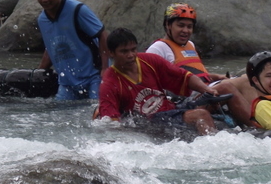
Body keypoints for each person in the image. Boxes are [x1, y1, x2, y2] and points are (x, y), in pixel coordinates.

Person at [98, 28, 255, 136]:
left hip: (171, 109)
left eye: (133, 49)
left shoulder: (148, 60)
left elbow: (184, 76)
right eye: (124, 52)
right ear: (111, 53)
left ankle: (258, 129)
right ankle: (217, 153)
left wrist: (205, 90)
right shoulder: (109, 83)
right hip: (151, 122)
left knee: (226, 87)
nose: (131, 55)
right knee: (200, 115)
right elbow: (110, 123)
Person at [146, 3, 259, 107]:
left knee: (249, 78)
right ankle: (256, 120)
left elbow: (196, 74)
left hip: (206, 87)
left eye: (189, 27)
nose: (185, 30)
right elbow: (146, 83)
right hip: (191, 96)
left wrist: (216, 76)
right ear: (168, 25)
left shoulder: (190, 44)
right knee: (243, 82)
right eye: (180, 25)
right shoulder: (158, 48)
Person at [33, 0, 108, 100]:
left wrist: (105, 69)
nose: (44, 0)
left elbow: (102, 35)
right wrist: (38, 73)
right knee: (58, 115)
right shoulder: (42, 20)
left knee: (96, 112)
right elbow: (51, 47)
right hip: (67, 83)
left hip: (93, 77)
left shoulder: (77, 10)